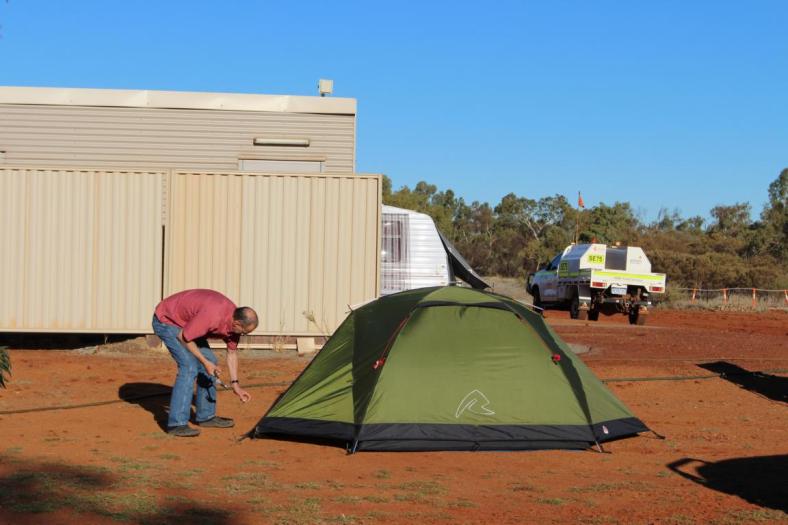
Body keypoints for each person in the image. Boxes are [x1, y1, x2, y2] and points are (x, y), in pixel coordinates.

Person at [152, 289, 258, 437]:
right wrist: (204, 362)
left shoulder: (234, 324)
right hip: (168, 320)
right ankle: (177, 424)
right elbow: (184, 337)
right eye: (244, 332)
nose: (243, 335)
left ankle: (206, 416)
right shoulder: (213, 316)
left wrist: (236, 385)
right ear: (237, 323)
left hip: (190, 324)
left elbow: (232, 353)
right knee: (189, 366)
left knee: (211, 361)